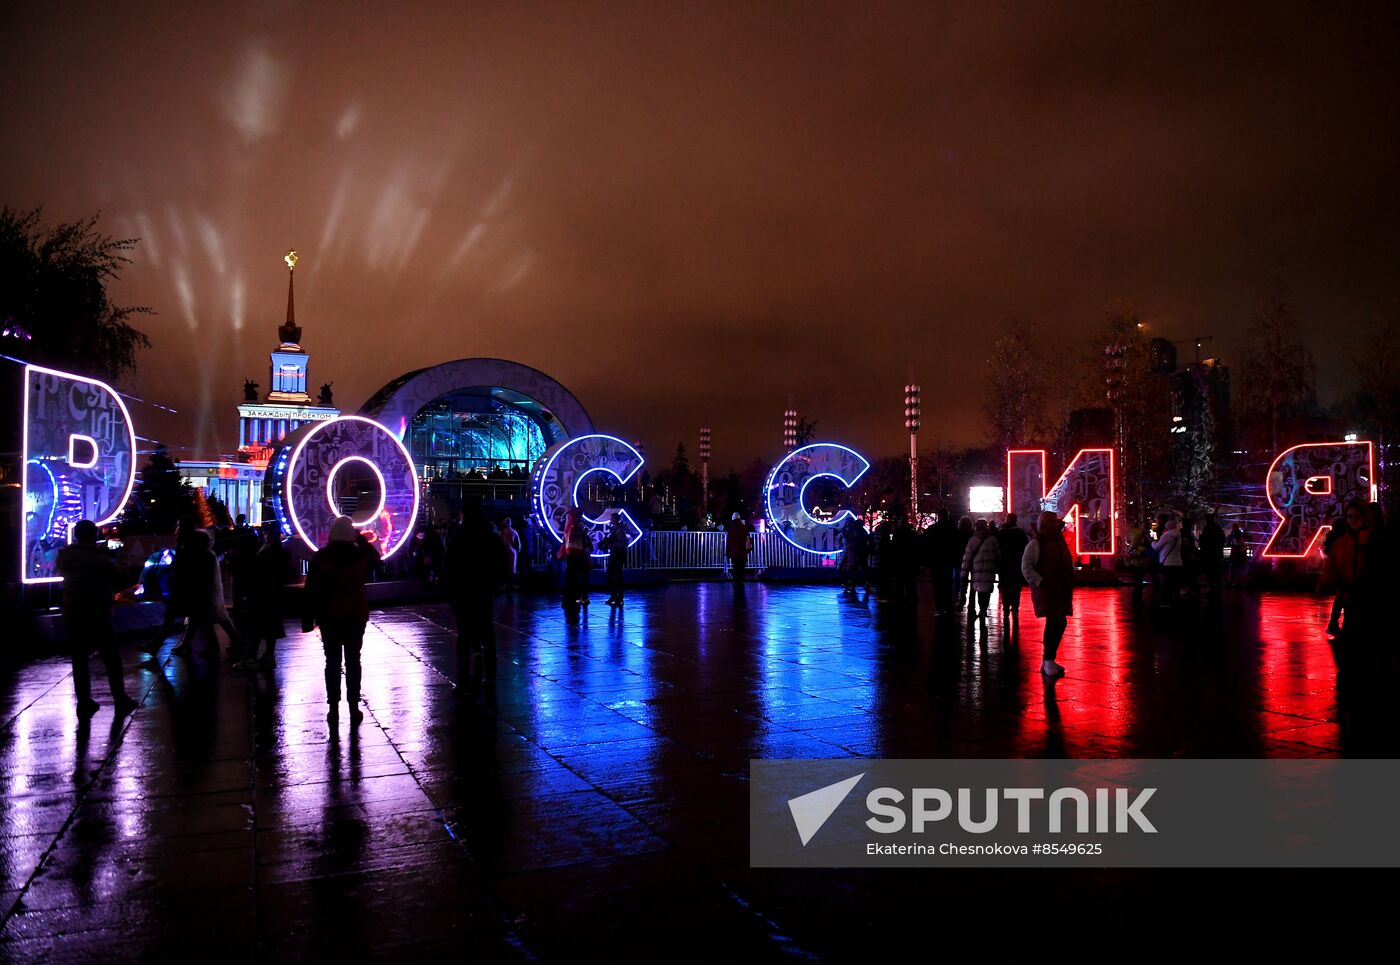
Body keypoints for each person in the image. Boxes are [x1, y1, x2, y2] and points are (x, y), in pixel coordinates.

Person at [56, 520, 139, 718]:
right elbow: (121, 575)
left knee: (79, 658)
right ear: (94, 535)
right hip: (97, 612)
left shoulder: (65, 556)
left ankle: (84, 701)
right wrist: (122, 557)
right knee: (111, 657)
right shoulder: (98, 558)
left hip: (73, 611)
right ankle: (120, 698)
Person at [302, 516, 381, 722]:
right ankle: (354, 706)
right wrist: (361, 539)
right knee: (354, 660)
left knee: (332, 661)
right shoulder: (360, 554)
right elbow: (377, 561)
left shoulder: (321, 557)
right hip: (355, 614)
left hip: (329, 616)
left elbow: (311, 590)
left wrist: (307, 619)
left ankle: (333, 708)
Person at [444, 504, 507, 692]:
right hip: (484, 590)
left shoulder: (458, 536)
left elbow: (449, 566)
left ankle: (463, 679)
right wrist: (496, 584)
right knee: (487, 634)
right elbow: (502, 561)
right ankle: (490, 677)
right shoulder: (491, 537)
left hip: (464, 591)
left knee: (464, 636)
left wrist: (450, 591)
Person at [170, 518, 246, 658]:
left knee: (204, 618)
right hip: (208, 591)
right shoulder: (207, 554)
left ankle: (213, 645)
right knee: (210, 617)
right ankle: (227, 642)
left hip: (205, 592)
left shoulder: (203, 555)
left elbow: (202, 574)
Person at [1021, 510, 1075, 678]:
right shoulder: (1037, 544)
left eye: (1055, 522)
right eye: (1051, 522)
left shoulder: (1058, 541)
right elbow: (1026, 566)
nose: (1055, 525)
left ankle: (1048, 660)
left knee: (1057, 622)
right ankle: (1048, 659)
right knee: (1056, 622)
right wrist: (1040, 581)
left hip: (1060, 588)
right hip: (1048, 589)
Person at [235, 521, 291, 670]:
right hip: (271, 594)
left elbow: (262, 572)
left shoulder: (271, 550)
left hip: (263, 594)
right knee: (269, 627)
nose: (265, 535)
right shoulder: (278, 549)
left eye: (267, 532)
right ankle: (268, 656)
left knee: (256, 627)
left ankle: (251, 658)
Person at [1320, 500, 1366, 638]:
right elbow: (1333, 564)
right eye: (1350, 516)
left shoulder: (1370, 539)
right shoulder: (1342, 542)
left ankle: (1334, 624)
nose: (1353, 520)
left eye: (1357, 516)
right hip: (1350, 589)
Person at [960, 519, 1002, 620]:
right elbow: (998, 557)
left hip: (976, 572)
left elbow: (967, 558)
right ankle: (983, 610)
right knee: (986, 592)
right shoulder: (992, 540)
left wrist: (964, 573)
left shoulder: (973, 540)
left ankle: (978, 609)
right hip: (989, 572)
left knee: (978, 590)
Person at [560, 508, 593, 620]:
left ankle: (570, 600)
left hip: (571, 555)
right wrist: (583, 533)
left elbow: (567, 540)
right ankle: (573, 600)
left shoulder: (569, 527)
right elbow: (576, 539)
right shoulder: (575, 527)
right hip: (575, 555)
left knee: (572, 578)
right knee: (574, 579)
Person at [995, 513, 1029, 619]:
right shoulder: (1021, 534)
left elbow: (997, 548)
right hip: (1017, 564)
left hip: (1004, 564)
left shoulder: (1001, 533)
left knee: (1005, 586)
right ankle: (1015, 608)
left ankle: (1006, 608)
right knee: (1015, 587)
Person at [1152, 516, 1184, 607]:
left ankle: (1166, 602)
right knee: (1175, 583)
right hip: (1178, 562)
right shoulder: (1178, 535)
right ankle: (1176, 601)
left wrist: (1152, 542)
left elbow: (1157, 547)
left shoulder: (1166, 536)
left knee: (1166, 583)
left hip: (1167, 563)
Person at [603, 513, 630, 606]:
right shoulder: (615, 529)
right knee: (611, 575)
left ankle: (619, 597)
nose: (610, 520)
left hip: (618, 555)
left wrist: (612, 545)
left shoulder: (619, 530)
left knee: (617, 575)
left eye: (611, 518)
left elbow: (624, 544)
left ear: (615, 519)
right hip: (614, 554)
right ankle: (615, 595)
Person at [1198, 513, 1226, 602]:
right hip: (1216, 554)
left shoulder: (1207, 528)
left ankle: (1213, 590)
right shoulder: (1217, 528)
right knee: (1216, 573)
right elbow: (1222, 539)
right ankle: (1217, 590)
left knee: (1210, 573)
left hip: (1209, 554)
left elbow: (1204, 541)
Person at [840, 516, 870, 592]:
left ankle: (853, 584)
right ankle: (864, 584)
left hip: (856, 553)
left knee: (854, 569)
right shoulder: (863, 532)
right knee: (862, 569)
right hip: (861, 553)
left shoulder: (855, 532)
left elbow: (855, 542)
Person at [1126, 520, 1153, 608]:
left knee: (1137, 582)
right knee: (1138, 582)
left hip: (1136, 563)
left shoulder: (1134, 540)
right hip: (1139, 563)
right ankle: (1137, 600)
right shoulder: (1140, 539)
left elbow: (1130, 552)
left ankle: (1136, 600)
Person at [952, 516, 974, 610]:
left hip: (959, 560)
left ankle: (959, 600)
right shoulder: (972, 534)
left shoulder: (956, 534)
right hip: (971, 561)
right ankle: (971, 603)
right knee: (973, 582)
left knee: (959, 581)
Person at [725, 513, 752, 583]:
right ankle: (741, 582)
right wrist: (748, 550)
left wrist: (728, 552)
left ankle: (736, 582)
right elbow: (748, 539)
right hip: (743, 552)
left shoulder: (731, 528)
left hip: (734, 552)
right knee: (742, 568)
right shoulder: (744, 527)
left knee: (735, 568)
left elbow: (729, 542)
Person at [500, 517, 522, 591]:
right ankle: (511, 585)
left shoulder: (503, 531)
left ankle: (507, 585)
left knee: (506, 568)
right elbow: (518, 544)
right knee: (512, 569)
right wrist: (517, 551)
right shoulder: (514, 532)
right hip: (513, 552)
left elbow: (501, 542)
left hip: (505, 552)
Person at [1225, 523, 1249, 587]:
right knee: (1238, 568)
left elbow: (1230, 543)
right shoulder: (1239, 534)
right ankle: (1237, 582)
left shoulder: (1233, 535)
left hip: (1236, 553)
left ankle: (1231, 582)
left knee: (1233, 568)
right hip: (1239, 553)